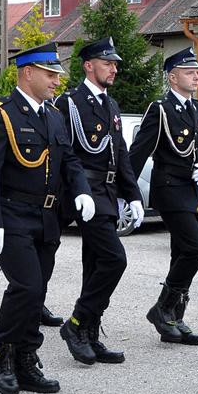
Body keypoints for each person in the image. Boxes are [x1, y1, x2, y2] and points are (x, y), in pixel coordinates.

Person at [0, 42, 94, 394]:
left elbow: (69, 159)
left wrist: (82, 189)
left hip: (46, 217)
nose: (57, 80)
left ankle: (27, 357)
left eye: (57, 74)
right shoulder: (0, 114)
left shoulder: (53, 115)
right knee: (25, 286)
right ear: (28, 73)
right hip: (11, 216)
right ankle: (2, 353)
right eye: (50, 73)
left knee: (37, 290)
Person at [53, 37, 142, 365]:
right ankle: (76, 324)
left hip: (106, 194)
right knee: (114, 260)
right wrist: (74, 192)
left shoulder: (110, 105)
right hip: (85, 194)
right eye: (107, 63)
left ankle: (90, 331)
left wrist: (133, 195)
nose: (114, 68)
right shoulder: (70, 103)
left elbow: (120, 155)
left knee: (94, 266)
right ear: (89, 65)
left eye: (115, 63)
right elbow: (63, 152)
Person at [129, 47, 198, 346]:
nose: (195, 77)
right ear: (172, 77)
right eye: (189, 72)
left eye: (197, 72)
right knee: (196, 249)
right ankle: (162, 309)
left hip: (194, 192)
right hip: (170, 189)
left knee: (182, 253)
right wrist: (127, 194)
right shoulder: (160, 109)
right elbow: (138, 152)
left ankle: (174, 317)